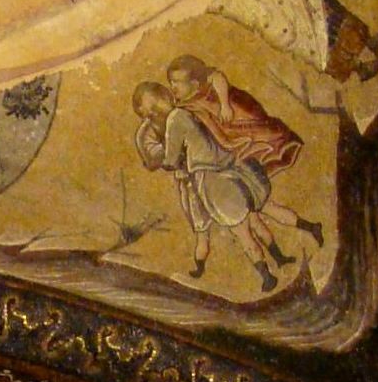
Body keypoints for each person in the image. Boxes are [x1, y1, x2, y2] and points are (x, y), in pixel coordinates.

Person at [133, 79, 310, 295]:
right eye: (151, 108)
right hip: (212, 173)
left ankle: (270, 272)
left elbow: (171, 157)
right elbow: (158, 156)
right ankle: (274, 263)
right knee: (244, 221)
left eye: (158, 102)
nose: (157, 109)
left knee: (246, 223)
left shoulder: (179, 116)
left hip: (214, 174)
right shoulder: (155, 129)